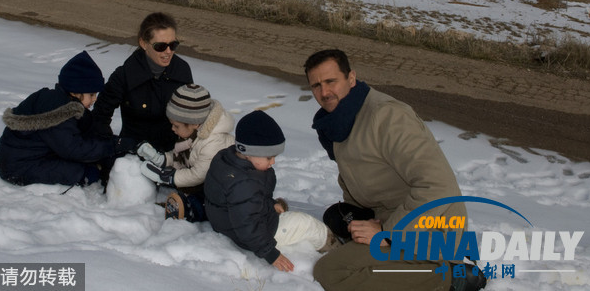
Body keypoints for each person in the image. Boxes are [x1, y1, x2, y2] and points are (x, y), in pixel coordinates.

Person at [304, 49, 483, 291]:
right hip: (389, 214)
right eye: (316, 85)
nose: (324, 92)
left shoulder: (387, 116)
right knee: (336, 217)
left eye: (330, 81)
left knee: (331, 271)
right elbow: (359, 170)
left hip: (431, 226)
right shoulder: (337, 122)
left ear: (351, 78)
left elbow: (439, 186)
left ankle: (452, 276)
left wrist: (386, 232)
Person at [204, 110, 337, 272]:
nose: (273, 162)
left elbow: (245, 202)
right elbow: (247, 224)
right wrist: (270, 253)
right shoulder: (244, 183)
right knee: (307, 224)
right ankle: (334, 247)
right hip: (252, 236)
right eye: (269, 157)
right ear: (248, 151)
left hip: (228, 224)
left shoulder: (229, 161)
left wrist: (269, 204)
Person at [0, 51, 134, 187]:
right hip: (19, 166)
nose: (95, 99)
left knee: (89, 158)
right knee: (81, 172)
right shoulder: (58, 114)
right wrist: (113, 146)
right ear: (75, 92)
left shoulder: (66, 104)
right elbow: (74, 149)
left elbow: (88, 129)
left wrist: (113, 142)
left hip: (37, 154)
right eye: (91, 94)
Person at [92, 12, 193, 152]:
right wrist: (115, 146)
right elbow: (100, 116)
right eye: (160, 46)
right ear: (143, 43)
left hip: (172, 153)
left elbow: (191, 116)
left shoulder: (182, 71)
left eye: (173, 45)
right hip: (134, 156)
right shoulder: (124, 75)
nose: (168, 51)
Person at [137, 83, 235, 221]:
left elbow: (198, 175)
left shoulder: (213, 142)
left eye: (176, 125)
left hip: (223, 186)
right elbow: (182, 155)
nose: (172, 129)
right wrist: (165, 159)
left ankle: (190, 210)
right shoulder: (192, 133)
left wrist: (170, 177)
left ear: (194, 123)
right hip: (205, 179)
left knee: (208, 201)